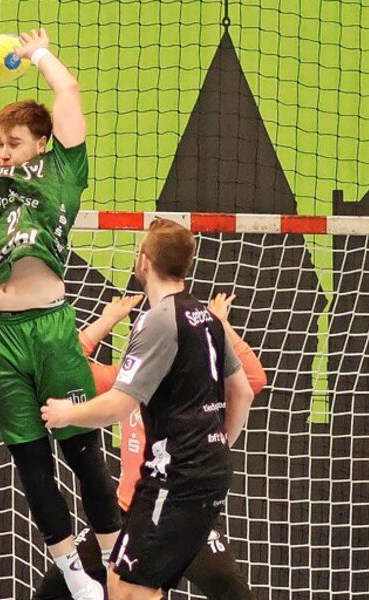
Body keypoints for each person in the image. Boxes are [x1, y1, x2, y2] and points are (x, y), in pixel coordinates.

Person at [0, 6, 119, 598]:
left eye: (14, 142)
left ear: (41, 143)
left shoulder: (63, 170)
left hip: (49, 328)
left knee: (82, 454)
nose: (2, 150)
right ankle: (74, 574)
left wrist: (40, 53)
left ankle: (116, 561)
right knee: (30, 460)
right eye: (0, 142)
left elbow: (68, 93)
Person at [42, 219, 257, 600]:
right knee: (121, 580)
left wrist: (66, 414)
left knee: (128, 587)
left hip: (177, 475)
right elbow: (242, 390)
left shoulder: (158, 320)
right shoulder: (208, 319)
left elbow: (120, 404)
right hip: (203, 471)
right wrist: (220, 441)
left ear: (144, 261)